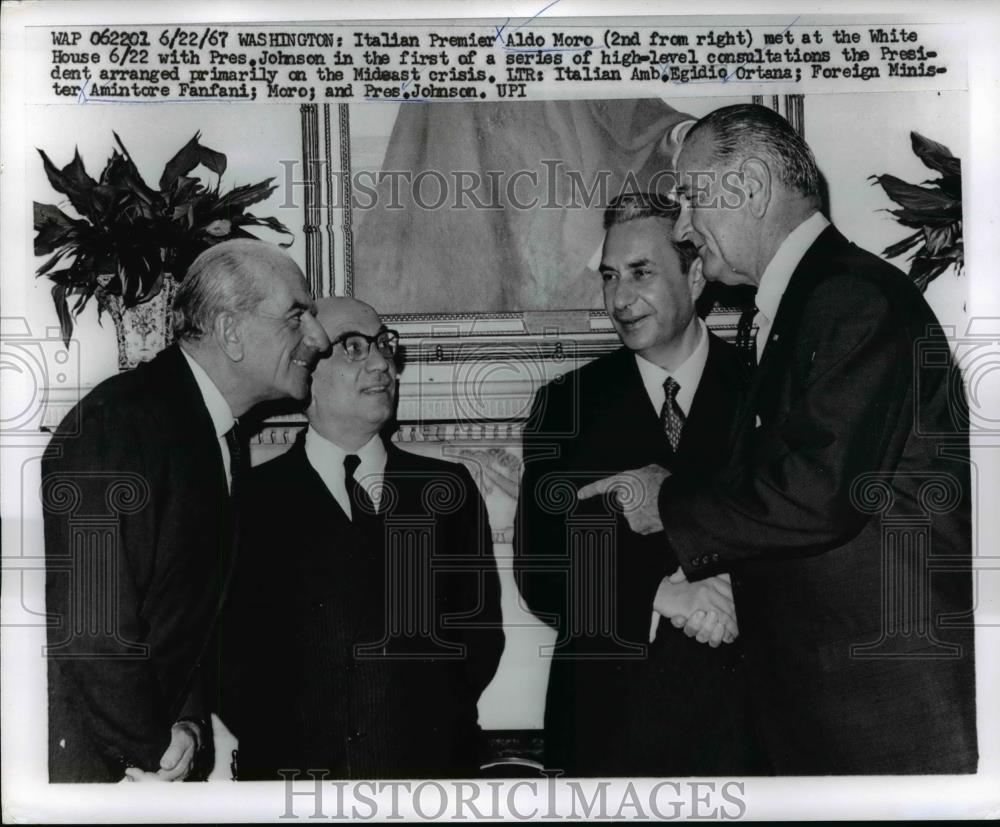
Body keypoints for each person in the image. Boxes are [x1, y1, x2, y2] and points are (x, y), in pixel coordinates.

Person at [580, 104, 977, 774]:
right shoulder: (806, 304)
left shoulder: (851, 298)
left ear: (755, 185)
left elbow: (818, 490)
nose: (683, 226)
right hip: (834, 705)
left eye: (692, 198)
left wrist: (667, 501)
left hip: (882, 714)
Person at [42, 239, 330, 782]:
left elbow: (189, 619)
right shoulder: (117, 425)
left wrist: (191, 721)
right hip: (109, 777)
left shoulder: (216, 434)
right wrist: (151, 750)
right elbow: (94, 629)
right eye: (298, 316)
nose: (318, 338)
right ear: (230, 332)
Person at [514, 193, 761, 776]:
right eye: (609, 277)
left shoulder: (767, 390)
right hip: (607, 727)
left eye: (641, 273)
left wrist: (734, 596)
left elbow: (806, 528)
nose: (619, 300)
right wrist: (663, 594)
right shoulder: (565, 404)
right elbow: (542, 568)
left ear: (695, 274)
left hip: (746, 721)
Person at [224, 297, 505, 780]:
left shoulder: (448, 490)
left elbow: (478, 641)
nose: (381, 364)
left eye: (383, 345)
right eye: (354, 347)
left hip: (424, 781)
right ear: (305, 367)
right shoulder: (248, 502)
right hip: (295, 786)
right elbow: (225, 659)